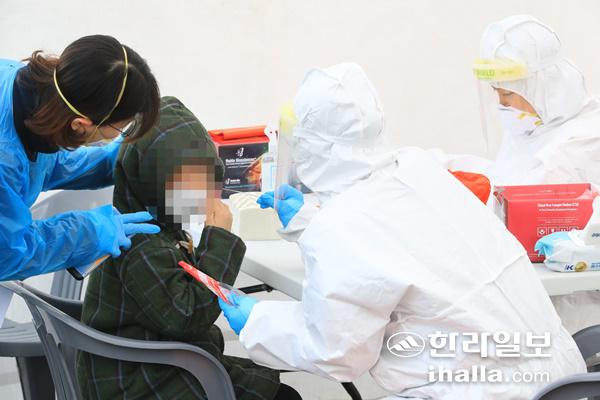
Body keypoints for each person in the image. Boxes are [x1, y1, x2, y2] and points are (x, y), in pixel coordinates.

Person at [219, 63, 585, 399]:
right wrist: (311, 220)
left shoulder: (343, 227)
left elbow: (336, 351)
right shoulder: (417, 169)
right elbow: (398, 240)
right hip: (561, 381)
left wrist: (258, 321)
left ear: (309, 145)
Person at [77, 96, 301, 400]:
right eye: (185, 183)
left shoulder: (149, 225)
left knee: (268, 383)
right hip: (139, 382)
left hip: (149, 363)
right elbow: (187, 316)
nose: (200, 192)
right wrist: (218, 239)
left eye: (206, 178)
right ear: (151, 181)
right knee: (279, 394)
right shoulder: (141, 243)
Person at [472, 15, 600, 334]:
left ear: (543, 87)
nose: (502, 105)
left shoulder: (578, 144)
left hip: (572, 312)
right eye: (497, 93)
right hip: (528, 295)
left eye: (508, 94)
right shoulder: (531, 130)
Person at [0, 35, 161, 281]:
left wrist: (119, 159)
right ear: (80, 124)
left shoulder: (34, 87)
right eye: (120, 129)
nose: (119, 135)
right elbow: (7, 255)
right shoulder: (5, 160)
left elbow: (43, 164)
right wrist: (90, 233)